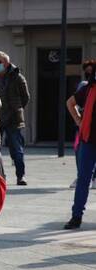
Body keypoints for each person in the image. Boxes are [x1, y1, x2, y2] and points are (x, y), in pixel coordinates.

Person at [64, 61, 96, 229]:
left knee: (84, 179)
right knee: (83, 179)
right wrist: (78, 120)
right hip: (88, 140)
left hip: (88, 140)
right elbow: (70, 103)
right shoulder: (89, 89)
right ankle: (76, 216)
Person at [0, 50, 30, 186]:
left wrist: (17, 108)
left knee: (17, 150)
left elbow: (26, 97)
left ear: (6, 63)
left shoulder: (18, 77)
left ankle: (21, 176)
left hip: (13, 118)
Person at [68, 59, 96, 189]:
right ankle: (84, 177)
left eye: (92, 72)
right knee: (80, 151)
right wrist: (78, 120)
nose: (89, 75)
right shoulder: (84, 86)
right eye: (87, 72)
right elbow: (71, 103)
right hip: (85, 128)